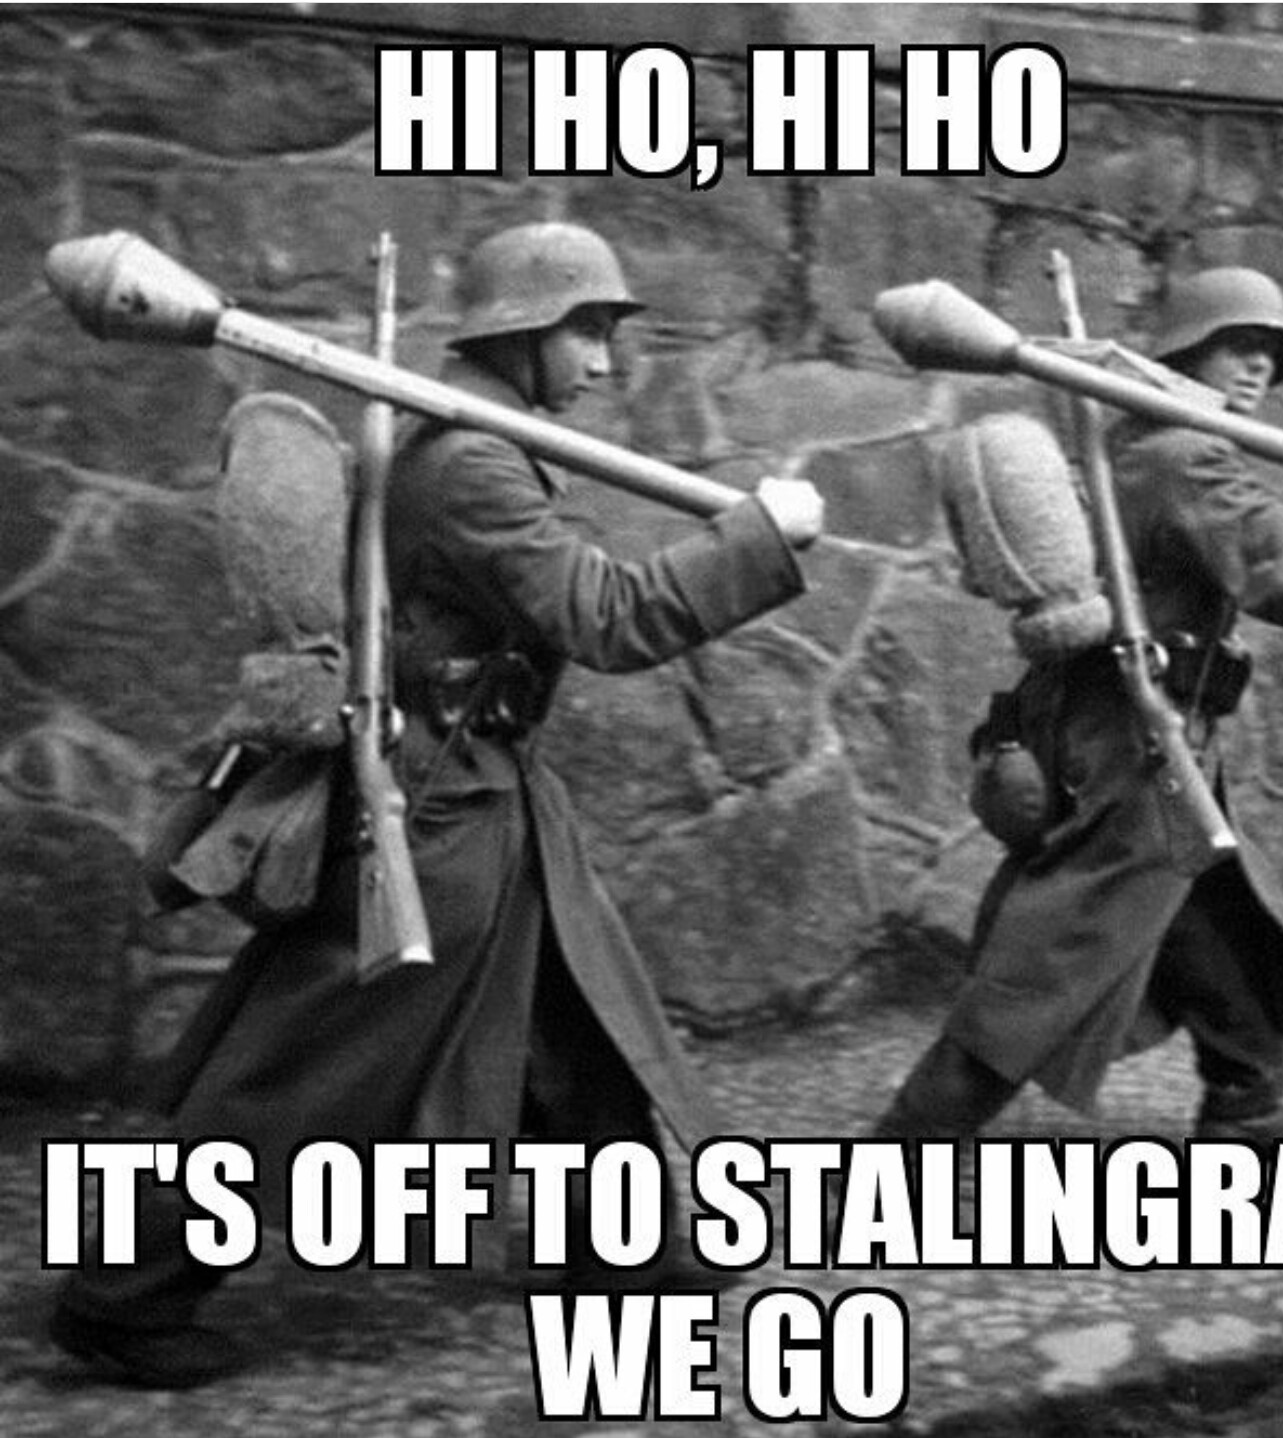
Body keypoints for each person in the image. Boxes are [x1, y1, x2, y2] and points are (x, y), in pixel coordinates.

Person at [50, 221, 824, 1387]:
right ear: (519, 331)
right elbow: (606, 618)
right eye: (586, 330)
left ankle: (619, 1249)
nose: (604, 360)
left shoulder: (474, 437)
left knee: (573, 1024)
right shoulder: (470, 463)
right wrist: (760, 537)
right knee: (302, 1068)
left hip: (482, 789)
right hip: (435, 809)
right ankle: (124, 1295)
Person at [872, 265, 1283, 1153]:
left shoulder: (1132, 440)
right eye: (1236, 345)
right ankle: (901, 1147)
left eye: (1269, 351)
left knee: (1211, 906)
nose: (1257, 366)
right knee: (1057, 957)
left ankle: (1247, 1097)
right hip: (1129, 740)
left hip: (1111, 723)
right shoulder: (1186, 460)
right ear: (1185, 352)